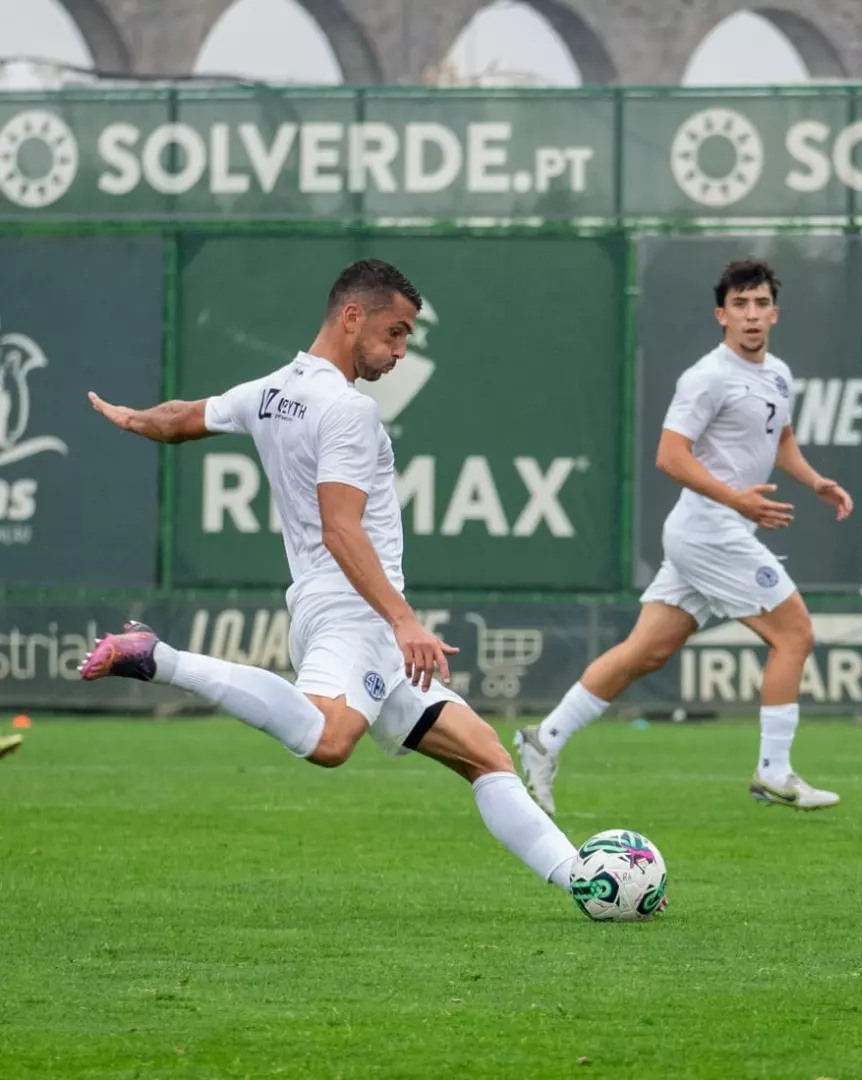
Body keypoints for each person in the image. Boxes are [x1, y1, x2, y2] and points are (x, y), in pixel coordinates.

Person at [80, 258, 580, 896]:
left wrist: (135, 420)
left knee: (484, 755)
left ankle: (583, 879)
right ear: (351, 316)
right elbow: (341, 527)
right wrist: (403, 620)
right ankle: (161, 658)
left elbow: (182, 418)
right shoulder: (349, 410)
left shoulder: (269, 391)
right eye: (395, 332)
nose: (400, 351)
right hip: (356, 615)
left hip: (330, 607)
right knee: (328, 738)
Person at [516, 258, 853, 815]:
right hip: (710, 531)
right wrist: (736, 498)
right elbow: (669, 455)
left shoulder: (777, 373)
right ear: (721, 315)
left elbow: (781, 436)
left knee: (646, 652)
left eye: (761, 303)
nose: (751, 315)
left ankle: (543, 740)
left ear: (775, 313)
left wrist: (815, 481)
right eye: (740, 305)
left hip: (708, 532)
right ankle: (773, 772)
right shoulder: (708, 376)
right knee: (795, 633)